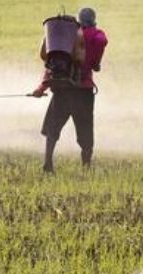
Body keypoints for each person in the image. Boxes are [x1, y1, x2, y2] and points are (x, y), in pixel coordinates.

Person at [31, 7, 108, 173]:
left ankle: (48, 163)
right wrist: (96, 62)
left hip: (62, 89)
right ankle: (86, 167)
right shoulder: (95, 34)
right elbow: (102, 40)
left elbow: (52, 67)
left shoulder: (64, 37)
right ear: (93, 21)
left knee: (53, 129)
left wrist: (41, 88)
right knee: (85, 130)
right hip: (83, 91)